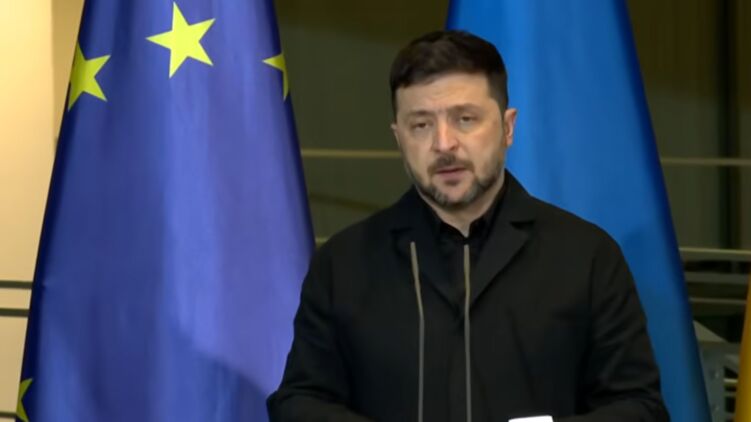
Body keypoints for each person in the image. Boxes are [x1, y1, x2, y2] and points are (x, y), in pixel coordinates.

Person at [267, 30, 668, 422]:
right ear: (398, 138)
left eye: (465, 119)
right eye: (421, 125)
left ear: (508, 127)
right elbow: (299, 402)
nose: (444, 144)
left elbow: (639, 407)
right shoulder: (344, 262)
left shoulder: (585, 255)